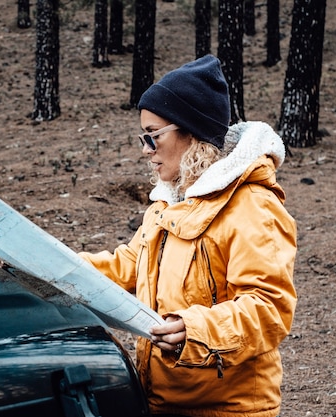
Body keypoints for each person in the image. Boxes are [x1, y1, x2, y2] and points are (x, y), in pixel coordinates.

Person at [79, 54, 297, 417]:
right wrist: (52, 267)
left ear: (191, 131)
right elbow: (130, 265)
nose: (145, 150)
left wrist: (195, 329)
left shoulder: (252, 206)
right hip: (163, 402)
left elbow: (269, 309)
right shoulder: (170, 202)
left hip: (228, 409)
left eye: (153, 136)